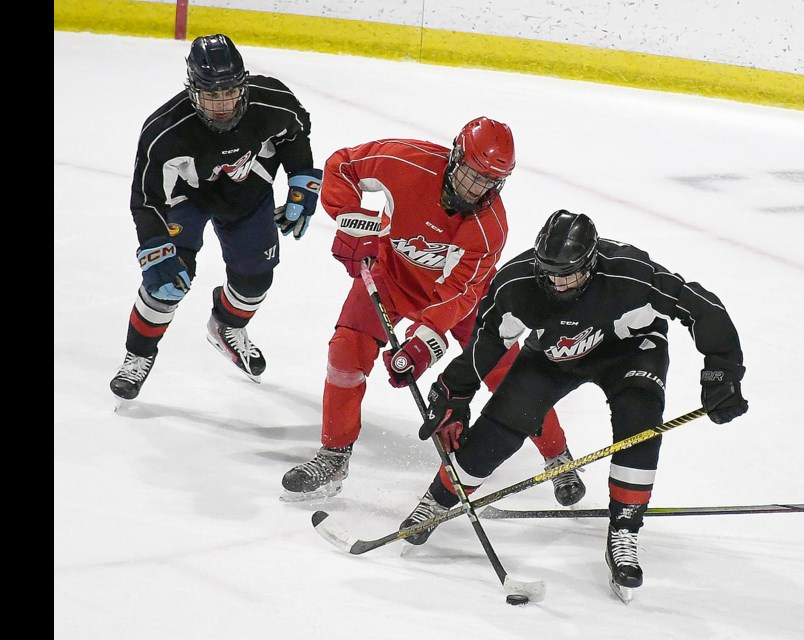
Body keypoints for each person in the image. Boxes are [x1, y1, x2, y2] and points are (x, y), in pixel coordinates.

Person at [400, 209, 749, 601]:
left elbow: (702, 307)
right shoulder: (517, 284)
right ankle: (436, 502)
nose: (560, 283)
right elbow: (488, 341)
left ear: (593, 261)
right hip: (555, 355)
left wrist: (722, 374)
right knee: (502, 424)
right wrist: (457, 390)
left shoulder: (629, 272)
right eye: (551, 273)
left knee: (640, 421)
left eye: (571, 273)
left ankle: (624, 532)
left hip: (630, 352)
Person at [279, 118, 585, 506]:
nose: (474, 189)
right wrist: (355, 225)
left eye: (488, 182)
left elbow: (457, 294)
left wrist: (420, 345)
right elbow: (342, 166)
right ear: (455, 155)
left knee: (509, 376)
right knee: (345, 352)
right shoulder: (406, 161)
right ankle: (334, 456)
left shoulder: (489, 228)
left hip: (462, 303)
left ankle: (557, 455)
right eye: (471, 174)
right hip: (390, 275)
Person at [109, 34, 323, 400]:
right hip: (186, 198)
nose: (222, 104)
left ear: (243, 85)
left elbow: (294, 132)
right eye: (211, 95)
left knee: (255, 280)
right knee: (167, 282)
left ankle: (226, 327)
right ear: (193, 91)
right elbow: (146, 199)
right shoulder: (165, 131)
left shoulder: (271, 100)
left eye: (229, 93)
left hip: (247, 192)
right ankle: (137, 356)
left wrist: (301, 183)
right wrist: (156, 247)